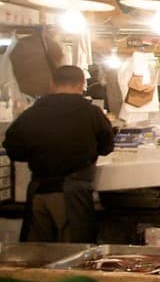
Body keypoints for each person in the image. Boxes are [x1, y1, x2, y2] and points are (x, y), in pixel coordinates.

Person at [3, 65, 115, 242]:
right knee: (72, 255)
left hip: (38, 193)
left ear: (52, 83)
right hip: (72, 196)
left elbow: (13, 149)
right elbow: (107, 147)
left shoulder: (31, 114)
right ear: (82, 84)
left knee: (37, 256)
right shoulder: (92, 113)